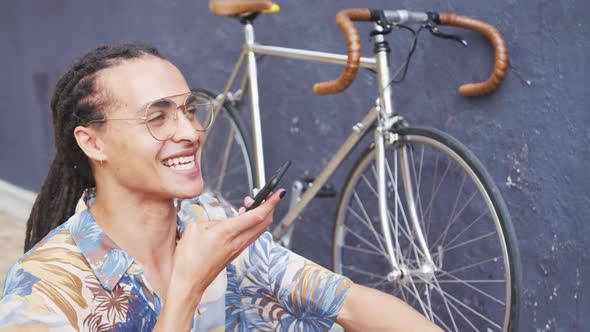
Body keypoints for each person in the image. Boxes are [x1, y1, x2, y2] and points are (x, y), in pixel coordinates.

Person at [0, 43, 441, 331]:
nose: (191, 132)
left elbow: (347, 302)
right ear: (92, 142)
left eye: (189, 110)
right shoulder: (41, 292)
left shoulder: (208, 219)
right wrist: (188, 285)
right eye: (158, 117)